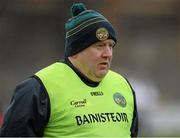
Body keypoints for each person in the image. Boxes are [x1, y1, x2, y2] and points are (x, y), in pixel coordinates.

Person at [0, 3, 138, 137]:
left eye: (110, 45)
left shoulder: (123, 85)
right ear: (76, 50)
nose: (107, 53)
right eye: (99, 46)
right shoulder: (38, 88)